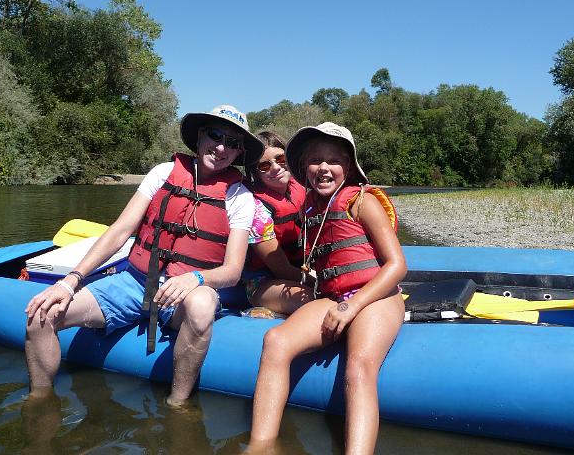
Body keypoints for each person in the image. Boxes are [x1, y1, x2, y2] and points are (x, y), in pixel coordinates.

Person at [24, 105, 264, 406]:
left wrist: (196, 278)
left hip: (185, 293)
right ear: (201, 136)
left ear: (240, 152)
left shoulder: (240, 198)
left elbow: (232, 271)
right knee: (41, 316)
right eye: (215, 135)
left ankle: (177, 405)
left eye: (232, 143)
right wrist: (70, 281)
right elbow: (120, 230)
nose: (221, 147)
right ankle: (39, 403)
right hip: (135, 282)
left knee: (202, 305)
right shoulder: (163, 173)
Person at [249, 122, 406, 454]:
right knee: (275, 340)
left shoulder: (362, 202)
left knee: (358, 366)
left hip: (375, 297)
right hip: (333, 297)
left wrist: (353, 306)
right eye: (315, 160)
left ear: (347, 167)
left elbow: (397, 266)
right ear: (305, 167)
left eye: (333, 160)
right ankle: (261, 446)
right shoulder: (310, 208)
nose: (323, 167)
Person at [244, 131, 311, 315]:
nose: (275, 167)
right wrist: (324, 281)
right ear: (256, 173)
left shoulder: (304, 187)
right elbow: (282, 270)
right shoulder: (256, 209)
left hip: (303, 269)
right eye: (265, 165)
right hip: (263, 282)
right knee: (309, 297)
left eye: (280, 159)